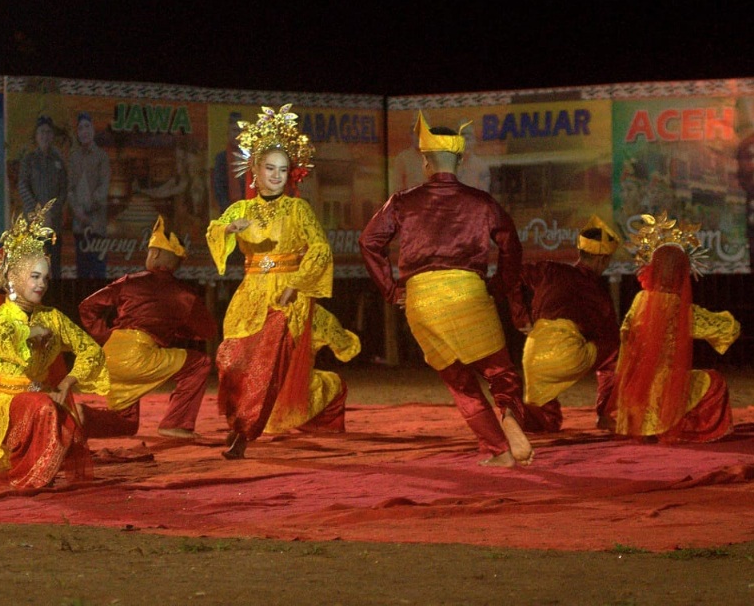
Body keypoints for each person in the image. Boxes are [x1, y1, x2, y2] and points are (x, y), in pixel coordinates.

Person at [359, 112, 533, 467]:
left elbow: (368, 242)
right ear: (460, 159)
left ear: (424, 161)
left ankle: (498, 449)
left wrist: (391, 290)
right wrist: (499, 286)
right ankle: (510, 416)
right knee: (500, 372)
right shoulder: (481, 202)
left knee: (460, 382)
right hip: (468, 293)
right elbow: (511, 245)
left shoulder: (403, 201)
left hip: (422, 300)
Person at [207, 105, 360, 460]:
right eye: (269, 169)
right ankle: (320, 395)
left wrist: (298, 283)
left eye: (282, 170)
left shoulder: (298, 210)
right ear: (255, 172)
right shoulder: (240, 210)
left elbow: (320, 248)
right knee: (230, 361)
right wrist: (228, 230)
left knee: (265, 365)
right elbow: (214, 230)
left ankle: (242, 434)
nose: (276, 176)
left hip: (286, 296)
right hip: (250, 294)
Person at [0, 200, 110, 489]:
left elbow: (90, 349)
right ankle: (27, 477)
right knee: (45, 407)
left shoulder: (52, 317)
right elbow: (19, 354)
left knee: (64, 417)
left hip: (39, 400)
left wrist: (67, 382)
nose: (42, 284)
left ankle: (38, 469)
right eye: (34, 276)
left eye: (45, 277)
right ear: (13, 278)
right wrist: (31, 339)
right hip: (7, 407)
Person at [78, 216, 216, 439]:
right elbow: (208, 332)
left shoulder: (129, 281)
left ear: (157, 254)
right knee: (200, 363)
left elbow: (87, 306)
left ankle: (83, 417)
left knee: (126, 423)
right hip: (141, 357)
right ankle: (176, 423)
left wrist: (106, 337)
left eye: (151, 251)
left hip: (110, 356)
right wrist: (175, 330)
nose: (148, 255)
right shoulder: (184, 294)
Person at [613, 212, 738, 443]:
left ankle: (646, 424)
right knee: (715, 380)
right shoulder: (680, 309)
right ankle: (688, 429)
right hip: (663, 392)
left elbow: (624, 335)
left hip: (632, 395)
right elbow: (726, 329)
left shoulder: (640, 300)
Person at [514, 216, 622, 432]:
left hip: (532, 356)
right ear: (601, 260)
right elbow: (609, 337)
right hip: (566, 357)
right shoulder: (598, 293)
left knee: (547, 422)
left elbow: (512, 276)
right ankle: (606, 415)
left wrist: (522, 317)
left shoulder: (549, 270)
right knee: (617, 354)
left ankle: (512, 415)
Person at [17, 113, 68, 285]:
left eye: (48, 132)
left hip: (54, 223)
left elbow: (64, 190)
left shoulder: (58, 161)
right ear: (36, 136)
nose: (45, 136)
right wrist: (39, 212)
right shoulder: (29, 160)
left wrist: (51, 213)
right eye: (41, 132)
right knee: (34, 267)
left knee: (55, 266)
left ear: (52, 136)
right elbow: (22, 186)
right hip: (33, 224)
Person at [67, 111, 111, 282]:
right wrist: (77, 212)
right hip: (79, 227)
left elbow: (103, 189)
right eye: (80, 128)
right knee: (82, 275)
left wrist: (86, 212)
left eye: (87, 127)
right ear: (77, 133)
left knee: (99, 275)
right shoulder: (73, 157)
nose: (84, 131)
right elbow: (69, 189)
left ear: (92, 130)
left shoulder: (102, 157)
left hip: (97, 225)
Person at [211, 110, 246, 212]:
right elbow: (219, 188)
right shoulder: (221, 158)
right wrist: (228, 211)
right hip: (229, 211)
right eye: (234, 131)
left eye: (240, 131)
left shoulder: (250, 156)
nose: (237, 135)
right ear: (228, 133)